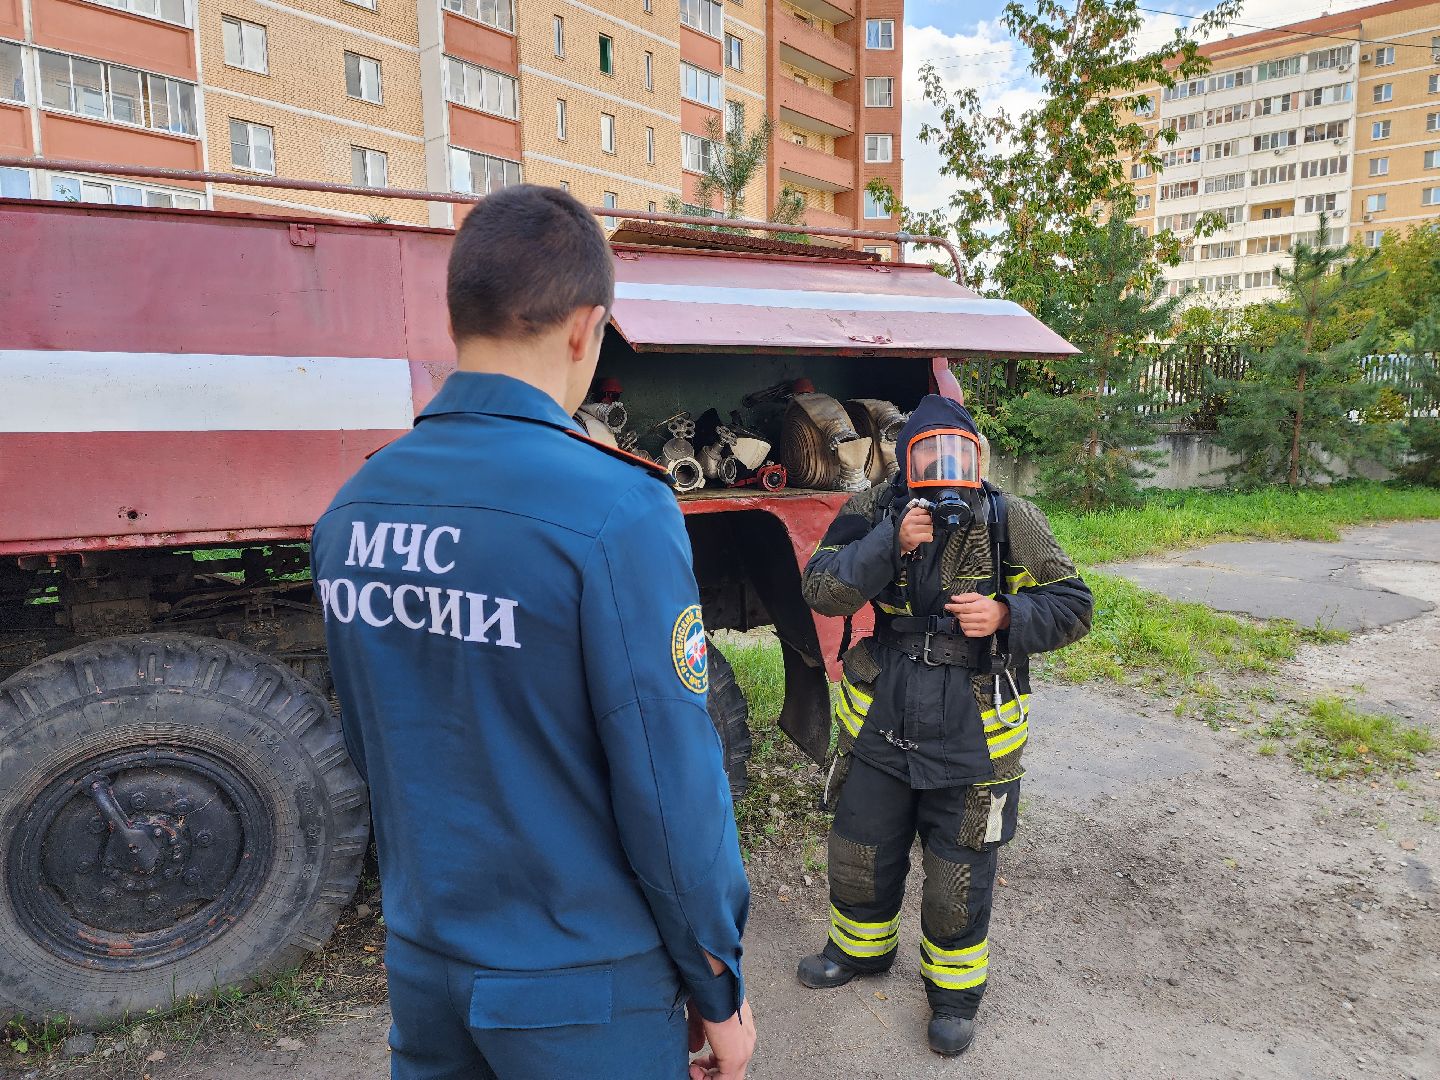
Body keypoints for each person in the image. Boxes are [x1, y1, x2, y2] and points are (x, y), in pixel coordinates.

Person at [311, 185, 754, 1080]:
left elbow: (378, 739)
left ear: (456, 317)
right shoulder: (616, 509)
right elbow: (670, 785)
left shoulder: (353, 508)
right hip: (581, 989)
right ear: (587, 330)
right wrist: (718, 985)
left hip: (426, 969)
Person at [795, 394, 1092, 1056]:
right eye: (928, 457)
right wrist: (889, 541)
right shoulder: (873, 509)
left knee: (960, 868)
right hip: (883, 708)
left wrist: (1008, 615)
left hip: (974, 720)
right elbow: (821, 590)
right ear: (906, 462)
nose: (944, 470)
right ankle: (858, 950)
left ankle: (954, 997)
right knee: (860, 845)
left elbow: (1075, 605)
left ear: (977, 459)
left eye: (957, 456)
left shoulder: (1012, 517)